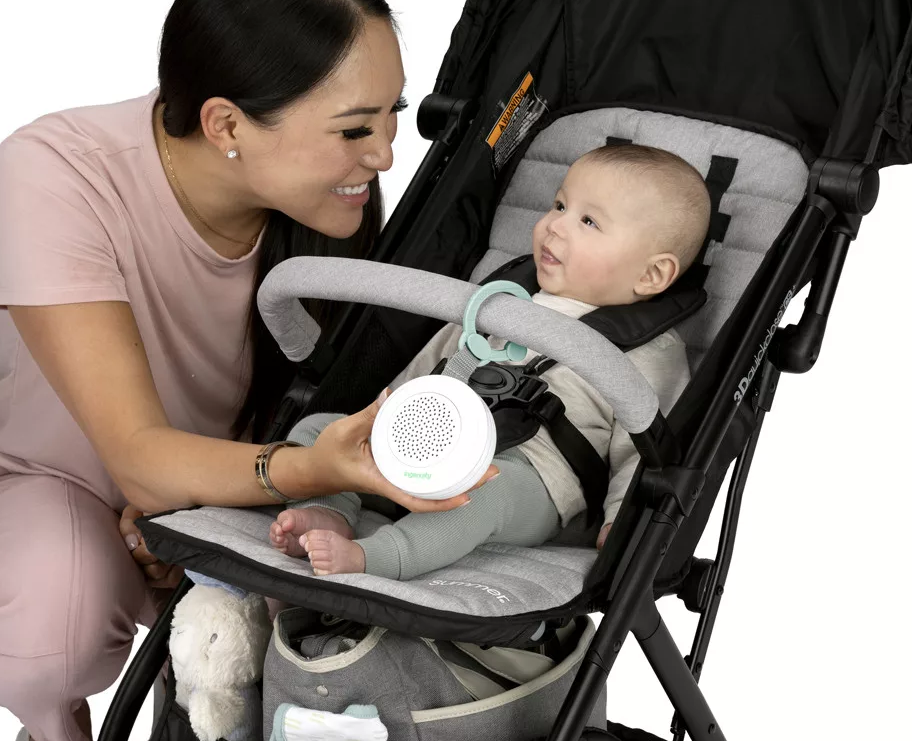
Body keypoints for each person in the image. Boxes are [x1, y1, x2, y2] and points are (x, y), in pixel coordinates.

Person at [0, 0, 494, 741]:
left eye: (393, 117)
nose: (385, 154)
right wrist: (285, 473)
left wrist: (227, 504)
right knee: (52, 630)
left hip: (236, 484)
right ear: (227, 123)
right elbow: (139, 455)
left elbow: (316, 397)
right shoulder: (53, 172)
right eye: (354, 129)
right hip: (50, 481)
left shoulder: (323, 210)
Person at [269, 144, 711, 579]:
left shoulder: (649, 350)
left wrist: (622, 520)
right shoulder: (501, 298)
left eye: (588, 221)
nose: (554, 226)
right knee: (320, 429)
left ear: (651, 274)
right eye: (559, 205)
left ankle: (378, 557)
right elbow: (432, 363)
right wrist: (382, 423)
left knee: (487, 495)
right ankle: (329, 511)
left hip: (529, 475)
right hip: (430, 439)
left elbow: (646, 448)